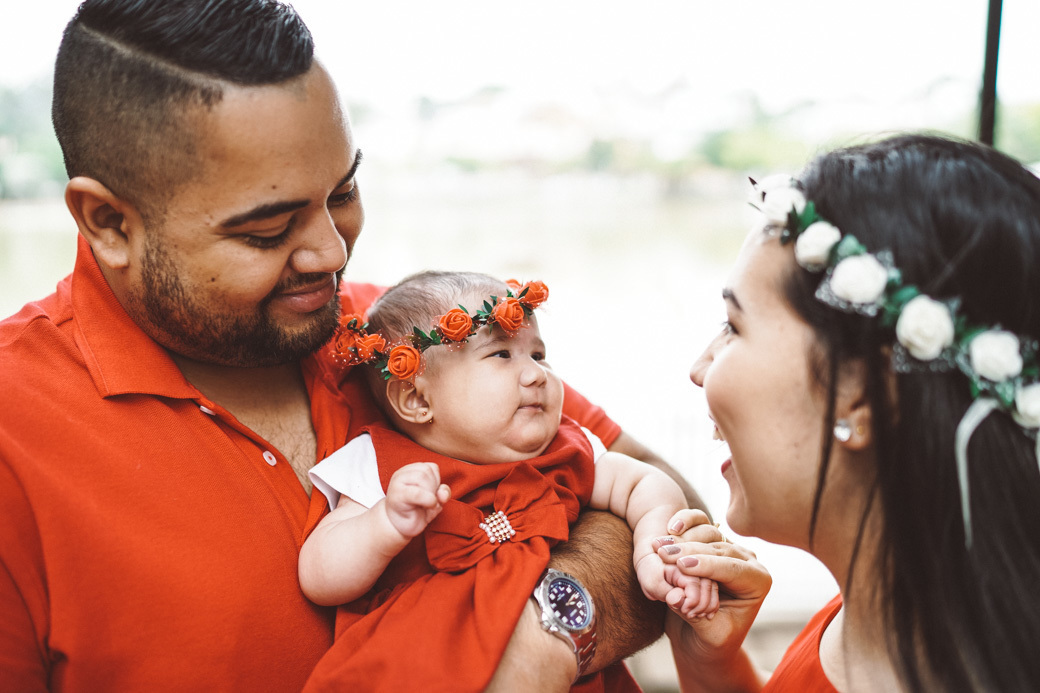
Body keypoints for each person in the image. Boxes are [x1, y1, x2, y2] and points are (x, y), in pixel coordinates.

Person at [0, 1, 713, 690]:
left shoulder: (406, 336)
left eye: (342, 191)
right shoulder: (17, 432)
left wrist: (540, 635)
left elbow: (677, 509)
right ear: (109, 221)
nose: (331, 252)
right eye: (267, 230)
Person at [656, 134, 1040, 691]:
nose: (700, 367)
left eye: (733, 327)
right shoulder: (894, 611)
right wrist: (711, 661)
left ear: (864, 395)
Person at [296, 271, 713, 691]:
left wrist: (651, 549)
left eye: (538, 354)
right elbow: (319, 576)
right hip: (417, 666)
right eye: (501, 355)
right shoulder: (381, 466)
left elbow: (645, 484)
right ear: (417, 399)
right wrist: (383, 525)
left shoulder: (567, 447)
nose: (536, 375)